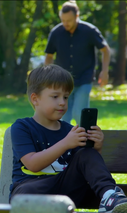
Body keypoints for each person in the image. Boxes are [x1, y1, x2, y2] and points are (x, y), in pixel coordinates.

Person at [9, 64, 127, 213]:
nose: (62, 102)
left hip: (67, 191)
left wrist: (96, 148)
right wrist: (65, 143)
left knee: (86, 153)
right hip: (33, 188)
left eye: (66, 97)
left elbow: (82, 167)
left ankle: (110, 197)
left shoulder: (70, 131)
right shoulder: (22, 127)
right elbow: (32, 164)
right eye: (55, 96)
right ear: (35, 99)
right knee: (25, 193)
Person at [44, 0, 110, 125]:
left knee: (79, 114)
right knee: (63, 117)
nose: (65, 24)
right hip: (63, 82)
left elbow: (105, 50)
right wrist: (46, 77)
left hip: (84, 78)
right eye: (63, 20)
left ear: (77, 16)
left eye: (68, 20)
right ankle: (67, 143)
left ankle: (86, 142)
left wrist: (105, 72)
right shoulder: (56, 33)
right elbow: (49, 56)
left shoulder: (89, 30)